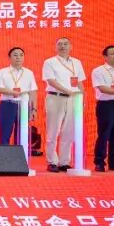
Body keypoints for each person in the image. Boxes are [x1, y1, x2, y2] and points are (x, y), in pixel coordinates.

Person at [41, 37, 86, 172]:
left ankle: (64, 161)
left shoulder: (76, 62)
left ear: (71, 47)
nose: (62, 46)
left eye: (65, 44)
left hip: (74, 99)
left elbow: (79, 82)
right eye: (59, 44)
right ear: (55, 47)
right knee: (53, 131)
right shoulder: (50, 62)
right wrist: (68, 91)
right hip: (56, 98)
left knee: (69, 132)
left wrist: (82, 98)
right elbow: (51, 81)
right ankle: (52, 161)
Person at [0, 47, 38, 145]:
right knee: (5, 134)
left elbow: (33, 91)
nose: (18, 57)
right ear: (9, 57)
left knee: (22, 134)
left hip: (24, 106)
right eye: (15, 55)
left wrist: (34, 109)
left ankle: (20, 154)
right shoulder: (2, 72)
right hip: (7, 105)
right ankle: (5, 154)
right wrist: (12, 92)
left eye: (21, 55)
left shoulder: (29, 73)